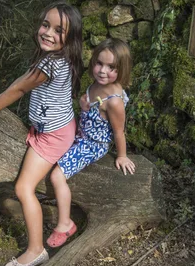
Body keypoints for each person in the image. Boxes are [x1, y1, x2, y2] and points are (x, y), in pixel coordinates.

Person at [0, 0, 83, 266]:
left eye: (59, 31)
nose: (48, 33)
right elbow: (22, 81)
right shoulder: (57, 58)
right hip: (57, 128)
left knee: (23, 188)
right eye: (45, 25)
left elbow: (19, 89)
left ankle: (36, 249)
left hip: (53, 137)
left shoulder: (50, 65)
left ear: (71, 38)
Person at [46, 38, 135, 248]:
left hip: (93, 144)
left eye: (111, 67)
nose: (103, 71)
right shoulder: (97, 85)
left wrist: (121, 155)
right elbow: (91, 113)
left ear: (121, 69)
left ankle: (65, 224)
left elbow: (119, 131)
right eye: (99, 63)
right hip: (80, 133)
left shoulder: (114, 101)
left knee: (56, 175)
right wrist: (84, 106)